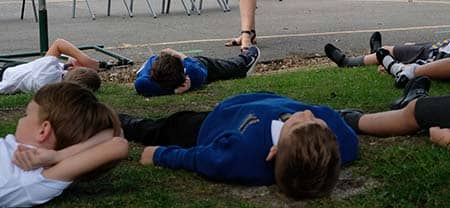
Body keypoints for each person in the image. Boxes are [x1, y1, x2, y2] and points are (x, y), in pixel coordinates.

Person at [119, 92, 358, 200]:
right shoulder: (340, 144)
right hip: (257, 102)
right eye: (317, 122)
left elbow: (199, 159)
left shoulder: (239, 156)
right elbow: (345, 138)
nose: (307, 114)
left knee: (160, 128)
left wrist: (160, 154)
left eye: (299, 124)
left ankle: (122, 122)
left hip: (208, 127)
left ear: (273, 152)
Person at [1, 82, 128, 207]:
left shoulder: (34, 178)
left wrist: (57, 157)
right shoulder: (37, 164)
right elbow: (116, 135)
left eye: (26, 115)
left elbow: (118, 144)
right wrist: (58, 155)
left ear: (43, 131)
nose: (20, 119)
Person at [325, 31, 450, 69]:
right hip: (432, 46)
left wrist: (411, 64)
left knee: (392, 50)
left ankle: (347, 62)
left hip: (429, 54)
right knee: (406, 44)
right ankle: (376, 52)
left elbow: (444, 61)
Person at [134, 46, 260, 97]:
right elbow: (140, 85)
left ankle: (243, 62)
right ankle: (245, 60)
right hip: (197, 65)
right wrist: (177, 54)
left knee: (221, 67)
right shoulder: (193, 73)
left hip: (194, 65)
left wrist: (171, 91)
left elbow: (140, 85)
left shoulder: (193, 72)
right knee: (224, 67)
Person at [0, 38, 105, 94]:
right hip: (23, 70)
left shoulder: (47, 75)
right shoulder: (58, 83)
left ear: (71, 68)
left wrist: (87, 61)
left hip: (7, 73)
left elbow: (59, 44)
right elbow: (71, 62)